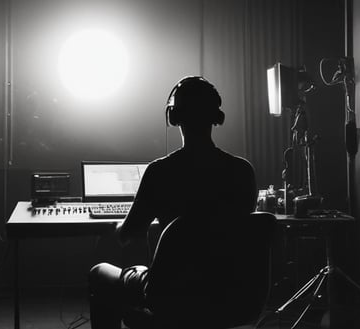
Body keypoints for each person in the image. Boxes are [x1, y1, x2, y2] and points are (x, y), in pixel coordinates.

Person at [87, 76, 258, 329]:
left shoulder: (160, 172)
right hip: (231, 292)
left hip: (172, 293)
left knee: (99, 272)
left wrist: (113, 229)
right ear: (216, 116)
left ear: (174, 116)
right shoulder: (243, 171)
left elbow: (130, 233)